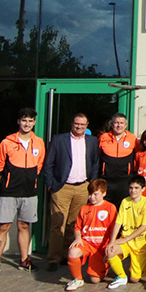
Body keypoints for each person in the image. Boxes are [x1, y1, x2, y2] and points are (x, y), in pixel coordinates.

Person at [0, 108, 46, 277]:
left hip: (29, 192)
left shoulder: (39, 142)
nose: (27, 124)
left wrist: (32, 179)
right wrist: (5, 181)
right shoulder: (7, 142)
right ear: (18, 122)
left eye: (30, 121)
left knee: (24, 226)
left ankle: (24, 260)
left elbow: (40, 164)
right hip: (9, 192)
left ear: (34, 122)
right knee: (4, 226)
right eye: (24, 120)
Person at [43, 113, 99, 272]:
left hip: (83, 187)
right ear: (71, 124)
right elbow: (48, 164)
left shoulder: (92, 141)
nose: (79, 127)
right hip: (62, 187)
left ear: (87, 125)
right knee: (57, 225)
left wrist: (91, 184)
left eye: (82, 124)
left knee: (74, 225)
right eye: (76, 124)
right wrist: (51, 184)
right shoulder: (59, 140)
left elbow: (95, 163)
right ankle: (53, 259)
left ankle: (67, 256)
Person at [65, 179, 118, 291]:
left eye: (95, 194)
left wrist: (110, 245)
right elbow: (78, 228)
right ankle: (78, 279)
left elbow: (114, 229)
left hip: (101, 247)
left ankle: (103, 267)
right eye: (90, 194)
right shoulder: (84, 208)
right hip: (87, 243)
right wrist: (78, 238)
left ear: (104, 193)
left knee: (95, 280)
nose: (92, 197)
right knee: (73, 251)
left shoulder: (110, 208)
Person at [105, 175, 146, 289]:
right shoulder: (125, 201)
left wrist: (127, 238)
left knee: (135, 279)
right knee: (110, 251)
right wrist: (112, 241)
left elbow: (145, 226)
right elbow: (118, 222)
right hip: (125, 242)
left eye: (136, 188)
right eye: (131, 188)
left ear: (143, 189)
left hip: (140, 245)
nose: (133, 190)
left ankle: (134, 270)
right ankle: (121, 276)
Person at [99, 112, 139, 207]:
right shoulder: (104, 137)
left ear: (126, 125)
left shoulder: (132, 138)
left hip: (125, 180)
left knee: (123, 208)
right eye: (116, 123)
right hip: (107, 180)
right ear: (112, 124)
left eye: (121, 123)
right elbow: (99, 154)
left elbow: (137, 156)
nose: (119, 125)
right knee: (106, 208)